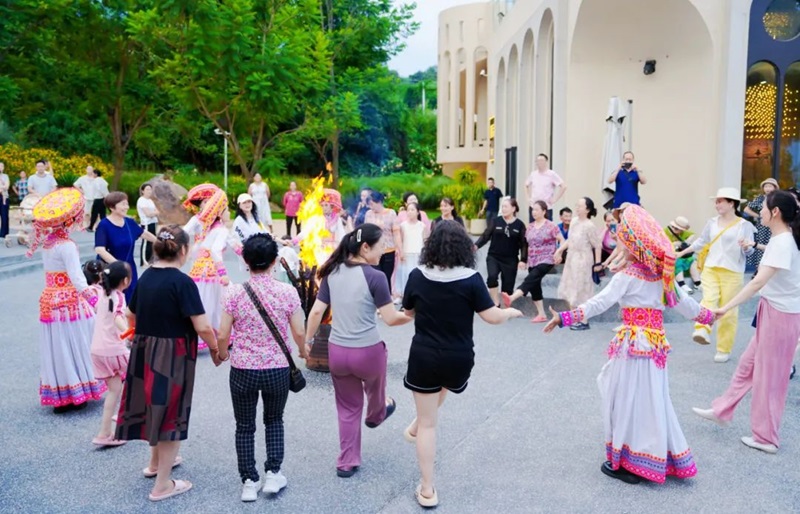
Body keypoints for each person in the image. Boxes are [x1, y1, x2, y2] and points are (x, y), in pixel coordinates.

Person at [543, 204, 714, 485]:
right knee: (653, 399)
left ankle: (630, 461)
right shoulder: (661, 275)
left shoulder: (627, 275)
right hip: (654, 345)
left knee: (625, 398)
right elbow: (685, 304)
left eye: (621, 236)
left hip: (634, 344)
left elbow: (599, 303)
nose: (617, 240)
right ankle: (653, 456)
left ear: (632, 244)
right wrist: (708, 316)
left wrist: (564, 318)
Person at [401, 220, 522, 507]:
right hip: (459, 357)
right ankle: (418, 422)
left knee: (429, 424)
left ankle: (427, 489)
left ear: (431, 245)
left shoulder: (418, 275)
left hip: (424, 355)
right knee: (442, 388)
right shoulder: (471, 279)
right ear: (462, 247)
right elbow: (491, 316)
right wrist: (509, 313)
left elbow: (408, 312)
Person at [116, 225, 219, 502]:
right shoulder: (183, 282)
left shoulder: (146, 276)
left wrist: (141, 333)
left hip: (145, 349)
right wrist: (216, 348)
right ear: (183, 250)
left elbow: (130, 314)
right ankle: (162, 485)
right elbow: (203, 326)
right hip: (173, 352)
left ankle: (154, 464)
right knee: (172, 412)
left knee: (154, 405)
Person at [693, 190, 800, 454]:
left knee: (769, 379)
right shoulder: (781, 239)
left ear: (775, 212)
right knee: (747, 365)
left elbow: (757, 282)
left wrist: (725, 308)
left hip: (781, 315)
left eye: (763, 207)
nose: (759, 211)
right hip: (773, 310)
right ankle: (722, 410)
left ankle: (766, 438)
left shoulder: (783, 242)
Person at [304, 224, 412, 478]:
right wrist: (413, 314)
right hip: (368, 352)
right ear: (365, 247)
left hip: (338, 353)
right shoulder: (376, 277)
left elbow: (317, 312)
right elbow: (390, 318)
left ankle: (346, 462)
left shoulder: (332, 272)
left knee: (348, 408)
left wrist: (307, 342)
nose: (383, 251)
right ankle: (376, 414)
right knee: (375, 389)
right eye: (380, 247)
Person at [217, 234, 309, 502]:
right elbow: (299, 331)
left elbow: (223, 333)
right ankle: (273, 474)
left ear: (245, 261)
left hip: (242, 369)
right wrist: (302, 351)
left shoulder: (234, 292)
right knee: (274, 419)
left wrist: (223, 354)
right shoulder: (287, 292)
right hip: (277, 368)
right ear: (275, 261)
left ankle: (249, 480)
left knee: (244, 426)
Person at [27, 188, 106, 412]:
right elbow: (78, 279)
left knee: (58, 346)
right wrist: (95, 300)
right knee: (77, 342)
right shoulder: (67, 245)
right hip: (70, 300)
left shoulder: (48, 242)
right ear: (70, 220)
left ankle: (62, 393)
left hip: (50, 299)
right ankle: (77, 390)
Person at [677, 187, 755, 363]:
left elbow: (750, 251)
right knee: (709, 299)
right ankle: (702, 329)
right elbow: (701, 242)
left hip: (733, 271)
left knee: (728, 311)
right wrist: (681, 253)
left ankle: (723, 348)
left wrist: (746, 247)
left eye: (720, 201)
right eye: (716, 201)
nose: (716, 204)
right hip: (711, 268)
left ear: (731, 203)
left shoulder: (744, 225)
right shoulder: (711, 222)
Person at [183, 188, 231, 350]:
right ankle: (207, 335)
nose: (207, 205)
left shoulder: (218, 225)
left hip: (207, 267)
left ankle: (212, 335)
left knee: (214, 300)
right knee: (209, 300)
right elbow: (184, 233)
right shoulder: (198, 220)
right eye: (204, 202)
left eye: (209, 202)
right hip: (208, 268)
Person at [90, 261, 132, 448]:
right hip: (114, 350)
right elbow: (117, 317)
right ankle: (131, 413)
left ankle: (104, 433)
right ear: (126, 281)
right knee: (143, 376)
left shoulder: (102, 295)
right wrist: (130, 334)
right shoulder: (119, 297)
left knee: (114, 390)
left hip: (97, 351)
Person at [501, 200, 565, 322]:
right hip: (533, 259)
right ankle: (542, 314)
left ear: (544, 211)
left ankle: (512, 297)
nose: (534, 212)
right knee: (534, 285)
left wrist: (559, 253)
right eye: (533, 210)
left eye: (536, 210)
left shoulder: (551, 226)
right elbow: (525, 244)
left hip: (547, 259)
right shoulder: (529, 227)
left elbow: (562, 240)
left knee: (531, 278)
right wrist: (523, 259)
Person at [95, 192, 158, 304]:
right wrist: (118, 265)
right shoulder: (104, 225)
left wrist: (160, 242)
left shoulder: (129, 222)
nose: (127, 207)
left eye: (127, 204)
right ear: (112, 207)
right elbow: (100, 249)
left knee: (131, 300)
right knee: (113, 302)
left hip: (129, 269)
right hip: (111, 270)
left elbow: (144, 233)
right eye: (123, 204)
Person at [555, 197, 603, 331]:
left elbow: (597, 245)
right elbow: (569, 240)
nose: (577, 208)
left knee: (581, 289)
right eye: (577, 205)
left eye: (580, 206)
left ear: (587, 210)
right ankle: (573, 318)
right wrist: (559, 250)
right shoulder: (574, 221)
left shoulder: (589, 226)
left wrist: (598, 263)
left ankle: (583, 320)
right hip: (572, 257)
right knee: (570, 286)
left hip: (583, 259)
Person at [474, 197, 527, 306]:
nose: (503, 209)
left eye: (506, 207)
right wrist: (476, 245)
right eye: (502, 207)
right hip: (494, 257)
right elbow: (486, 235)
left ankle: (505, 308)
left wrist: (523, 259)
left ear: (513, 209)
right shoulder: (495, 221)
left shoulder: (520, 225)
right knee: (492, 277)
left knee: (508, 287)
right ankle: (495, 302)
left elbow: (524, 244)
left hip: (511, 260)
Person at [292, 188, 347, 265]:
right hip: (320, 247)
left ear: (332, 206)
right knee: (322, 266)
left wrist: (345, 245)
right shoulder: (316, 218)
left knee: (333, 265)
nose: (323, 207)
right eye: (322, 205)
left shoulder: (337, 219)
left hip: (333, 247)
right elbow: (306, 231)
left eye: (326, 205)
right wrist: (294, 240)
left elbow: (342, 233)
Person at [364, 192, 402, 290]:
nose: (371, 207)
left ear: (379, 202)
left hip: (388, 250)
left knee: (386, 276)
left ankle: (387, 296)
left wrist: (399, 249)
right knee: (375, 276)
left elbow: (396, 233)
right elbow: (365, 231)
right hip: (373, 250)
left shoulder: (391, 213)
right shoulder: (369, 214)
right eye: (369, 205)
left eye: (372, 204)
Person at [744, 178, 778, 273]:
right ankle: (759, 270)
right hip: (762, 227)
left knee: (772, 246)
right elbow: (746, 209)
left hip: (774, 226)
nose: (768, 188)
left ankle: (770, 269)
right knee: (760, 247)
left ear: (775, 188)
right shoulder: (760, 198)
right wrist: (758, 216)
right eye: (766, 186)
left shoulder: (777, 198)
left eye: (770, 186)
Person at [397, 202, 428, 299]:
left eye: (412, 210)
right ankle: (404, 296)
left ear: (418, 212)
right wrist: (401, 252)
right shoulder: (403, 225)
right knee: (405, 275)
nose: (409, 212)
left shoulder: (422, 226)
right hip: (406, 254)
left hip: (418, 254)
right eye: (408, 210)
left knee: (418, 275)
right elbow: (400, 240)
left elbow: (425, 241)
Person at [524, 153, 566, 221]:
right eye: (537, 161)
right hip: (534, 207)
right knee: (533, 226)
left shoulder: (551, 174)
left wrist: (555, 199)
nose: (539, 163)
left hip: (546, 207)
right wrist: (528, 198)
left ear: (546, 162)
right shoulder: (533, 174)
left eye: (541, 161)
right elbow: (526, 185)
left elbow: (563, 186)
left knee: (547, 226)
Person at [664, 216, 701, 294]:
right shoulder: (665, 232)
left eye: (677, 229)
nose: (674, 229)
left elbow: (692, 234)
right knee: (678, 262)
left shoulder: (684, 233)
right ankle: (682, 284)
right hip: (670, 256)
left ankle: (697, 283)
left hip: (682, 255)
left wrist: (686, 242)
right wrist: (674, 244)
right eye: (673, 227)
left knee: (692, 260)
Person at [136, 183, 160, 266]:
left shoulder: (150, 201)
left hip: (153, 222)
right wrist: (153, 213)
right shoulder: (141, 200)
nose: (149, 191)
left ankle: (150, 260)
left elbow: (157, 211)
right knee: (146, 242)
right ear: (142, 191)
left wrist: (153, 213)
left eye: (150, 189)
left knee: (152, 241)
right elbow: (148, 214)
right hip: (146, 223)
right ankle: (144, 261)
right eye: (147, 189)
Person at [0, 161, 9, 238]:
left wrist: (2, 187)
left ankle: (4, 233)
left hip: (4, 197)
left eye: (1, 166)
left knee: (4, 216)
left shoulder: (5, 176)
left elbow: (6, 186)